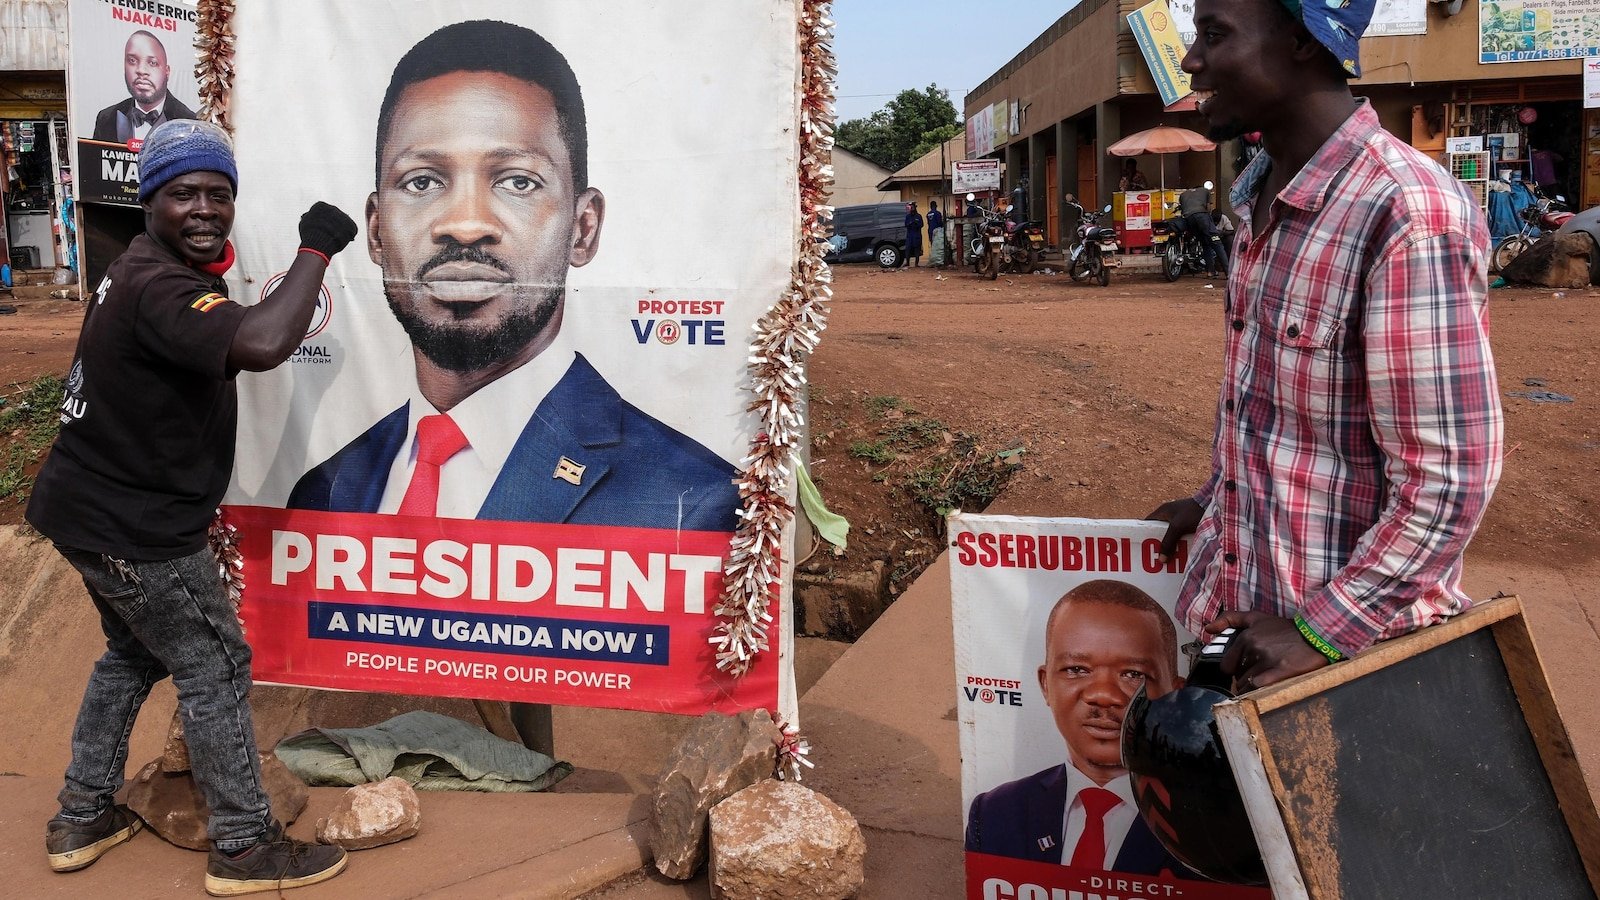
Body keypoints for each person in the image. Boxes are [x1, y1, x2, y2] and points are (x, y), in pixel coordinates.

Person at [26, 120, 358, 893]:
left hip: (86, 508)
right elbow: (266, 341)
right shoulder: (162, 285)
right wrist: (317, 248)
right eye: (183, 194)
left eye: (219, 193)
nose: (205, 208)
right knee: (214, 664)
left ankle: (81, 815)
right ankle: (244, 846)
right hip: (134, 528)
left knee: (134, 653)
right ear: (150, 201)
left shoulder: (142, 266)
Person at [1150, 0, 1501, 690]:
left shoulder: (1406, 214)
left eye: (1214, 35)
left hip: (1345, 667)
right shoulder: (1259, 200)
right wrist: (1214, 501)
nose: (1192, 61)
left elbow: (1448, 481)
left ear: (1304, 42)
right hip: (1244, 625)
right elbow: (1278, 417)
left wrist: (1319, 631)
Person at [289, 21, 738, 531]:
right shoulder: (324, 492)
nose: (463, 224)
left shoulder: (692, 502)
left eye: (517, 182)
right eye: (422, 181)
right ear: (376, 232)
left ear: (582, 228)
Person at [965, 580, 1188, 876]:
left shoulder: (1219, 830)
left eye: (1134, 674)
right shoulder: (995, 813)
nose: (1103, 695)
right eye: (1076, 670)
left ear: (1175, 695)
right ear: (1046, 685)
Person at [91, 30, 197, 144]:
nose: (141, 70)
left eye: (152, 63)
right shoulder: (106, 118)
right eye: (132, 60)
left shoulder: (189, 123)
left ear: (167, 72)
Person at [1178, 182, 1228, 277]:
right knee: (1217, 243)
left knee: (1205, 244)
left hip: (1189, 219)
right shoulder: (1205, 191)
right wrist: (1208, 222)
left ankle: (1211, 271)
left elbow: (1182, 210)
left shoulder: (1183, 194)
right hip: (1202, 216)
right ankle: (1228, 272)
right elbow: (1208, 208)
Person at [901, 201, 924, 268]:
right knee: (908, 249)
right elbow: (906, 224)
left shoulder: (919, 216)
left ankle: (916, 263)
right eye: (911, 207)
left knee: (917, 249)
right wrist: (910, 223)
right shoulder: (908, 216)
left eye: (912, 207)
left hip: (917, 235)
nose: (911, 208)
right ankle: (907, 263)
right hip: (910, 235)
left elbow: (922, 225)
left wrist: (916, 224)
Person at [926, 200, 946, 267]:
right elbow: (940, 223)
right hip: (937, 231)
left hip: (930, 231)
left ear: (930, 206)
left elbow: (928, 223)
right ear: (936, 206)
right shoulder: (938, 213)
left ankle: (934, 258)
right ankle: (939, 260)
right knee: (938, 245)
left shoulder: (928, 214)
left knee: (933, 245)